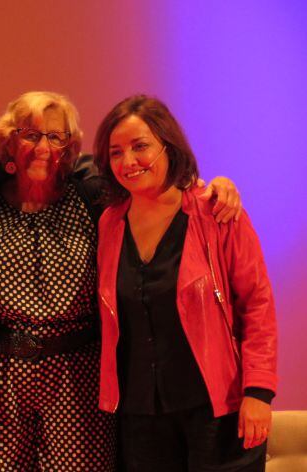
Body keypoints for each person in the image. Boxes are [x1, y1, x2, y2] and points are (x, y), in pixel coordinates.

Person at [0, 91, 242, 471]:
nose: (42, 147)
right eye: (30, 134)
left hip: (76, 376)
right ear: (8, 140)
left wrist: (210, 185)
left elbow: (158, 193)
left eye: (55, 137)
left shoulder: (94, 199)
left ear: (69, 148)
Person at [93, 95, 277, 471]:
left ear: (168, 145)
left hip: (218, 410)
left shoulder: (216, 212)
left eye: (140, 146)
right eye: (115, 152)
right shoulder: (110, 223)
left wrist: (258, 392)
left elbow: (257, 305)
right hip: (141, 416)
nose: (128, 161)